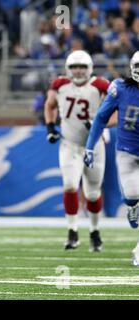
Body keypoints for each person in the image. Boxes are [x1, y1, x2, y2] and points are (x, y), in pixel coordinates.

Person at [44, 50, 111, 252]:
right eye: (74, 67)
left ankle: (94, 230)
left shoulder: (101, 86)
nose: (79, 70)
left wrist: (101, 125)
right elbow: (50, 105)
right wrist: (50, 127)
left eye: (82, 66)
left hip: (94, 146)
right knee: (70, 185)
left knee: (92, 193)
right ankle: (72, 231)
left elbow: (116, 112)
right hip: (70, 144)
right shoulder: (60, 85)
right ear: (68, 68)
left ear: (89, 68)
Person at [84, 51, 139, 265]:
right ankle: (133, 207)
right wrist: (89, 147)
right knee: (132, 195)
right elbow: (101, 117)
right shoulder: (121, 88)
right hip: (127, 150)